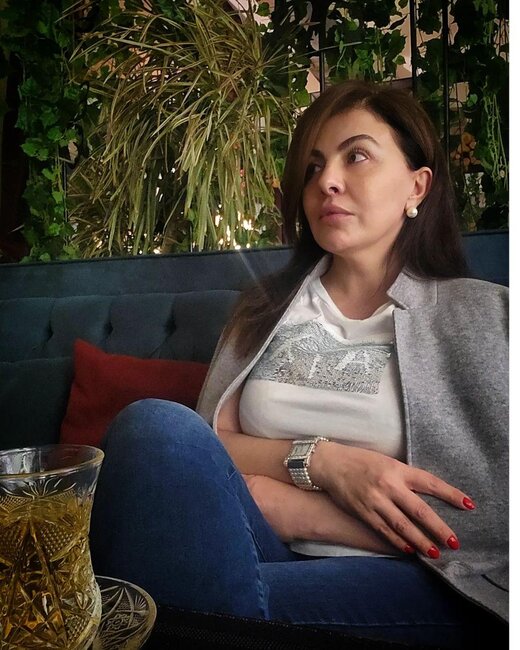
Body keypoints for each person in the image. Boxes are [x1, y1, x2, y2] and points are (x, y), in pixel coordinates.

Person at [90, 81, 508, 648]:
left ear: (417, 185)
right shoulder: (263, 310)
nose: (327, 181)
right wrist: (326, 464)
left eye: (356, 156)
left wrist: (295, 509)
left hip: (423, 577)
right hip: (259, 543)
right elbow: (208, 445)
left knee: (185, 598)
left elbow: (489, 516)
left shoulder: (486, 315)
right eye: (313, 167)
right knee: (152, 427)